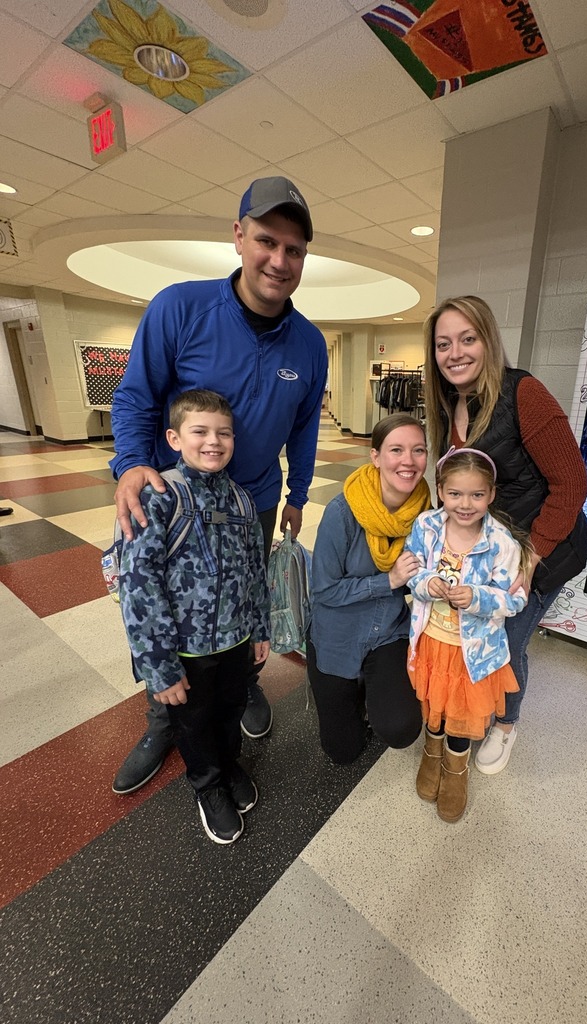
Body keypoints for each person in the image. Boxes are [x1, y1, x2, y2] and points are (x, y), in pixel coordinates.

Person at [109, 176, 327, 795]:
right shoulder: (180, 307)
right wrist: (129, 465)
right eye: (266, 241)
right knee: (166, 613)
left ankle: (239, 688)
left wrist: (298, 496)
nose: (279, 261)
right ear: (238, 236)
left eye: (295, 250)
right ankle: (164, 718)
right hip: (173, 507)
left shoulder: (309, 345)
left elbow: (305, 428)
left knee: (242, 602)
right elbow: (135, 398)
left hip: (252, 502)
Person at [423, 295, 587, 776]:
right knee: (477, 629)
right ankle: (481, 707)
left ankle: (506, 725)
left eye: (467, 338)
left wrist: (531, 556)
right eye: (443, 343)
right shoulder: (448, 404)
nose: (455, 353)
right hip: (493, 550)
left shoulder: (524, 393)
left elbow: (572, 483)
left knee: (508, 638)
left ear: (488, 340)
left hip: (546, 543)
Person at [118, 390, 270, 844]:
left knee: (230, 711)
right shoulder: (160, 496)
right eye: (199, 431)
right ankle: (208, 787)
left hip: (235, 641)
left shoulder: (241, 501)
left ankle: (229, 765)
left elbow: (256, 572)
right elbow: (139, 587)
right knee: (194, 723)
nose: (213, 442)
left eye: (223, 433)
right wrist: (159, 668)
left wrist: (259, 628)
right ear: (174, 437)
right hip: (184, 651)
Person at [405, 448, 529, 823]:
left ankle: (456, 768)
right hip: (431, 642)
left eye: (477, 494)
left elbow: (516, 599)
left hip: (472, 652)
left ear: (491, 495)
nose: (465, 504)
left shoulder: (502, 542)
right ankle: (431, 751)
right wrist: (428, 583)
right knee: (433, 705)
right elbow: (411, 572)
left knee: (460, 714)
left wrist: (477, 597)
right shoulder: (426, 527)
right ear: (440, 490)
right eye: (456, 493)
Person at [307, 413, 431, 765]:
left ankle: (372, 688)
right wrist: (389, 581)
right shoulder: (343, 513)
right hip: (337, 635)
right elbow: (324, 591)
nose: (408, 461)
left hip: (387, 632)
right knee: (342, 751)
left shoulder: (426, 514)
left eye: (418, 450)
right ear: (375, 456)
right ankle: (352, 690)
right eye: (396, 450)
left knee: (401, 728)